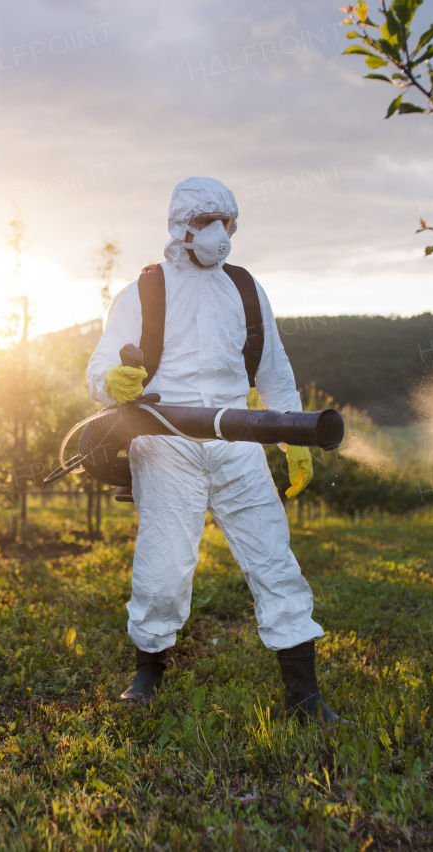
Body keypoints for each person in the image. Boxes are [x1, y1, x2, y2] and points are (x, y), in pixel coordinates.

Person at [86, 176, 341, 723]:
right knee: (164, 565)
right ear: (183, 228)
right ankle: (147, 674)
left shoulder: (245, 289)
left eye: (229, 223)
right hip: (164, 441)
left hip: (237, 440)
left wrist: (293, 437)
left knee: (274, 557)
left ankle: (305, 694)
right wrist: (116, 383)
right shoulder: (142, 292)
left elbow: (274, 369)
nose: (221, 234)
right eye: (209, 223)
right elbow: (100, 367)